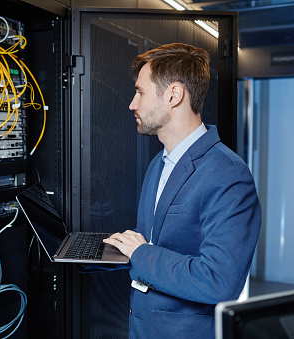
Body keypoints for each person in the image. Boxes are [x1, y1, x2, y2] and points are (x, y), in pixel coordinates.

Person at [101, 43, 262, 338]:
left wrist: (141, 253)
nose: (132, 104)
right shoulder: (160, 163)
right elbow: (155, 244)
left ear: (173, 95)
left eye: (140, 92)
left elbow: (219, 280)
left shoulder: (228, 174)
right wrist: (109, 254)